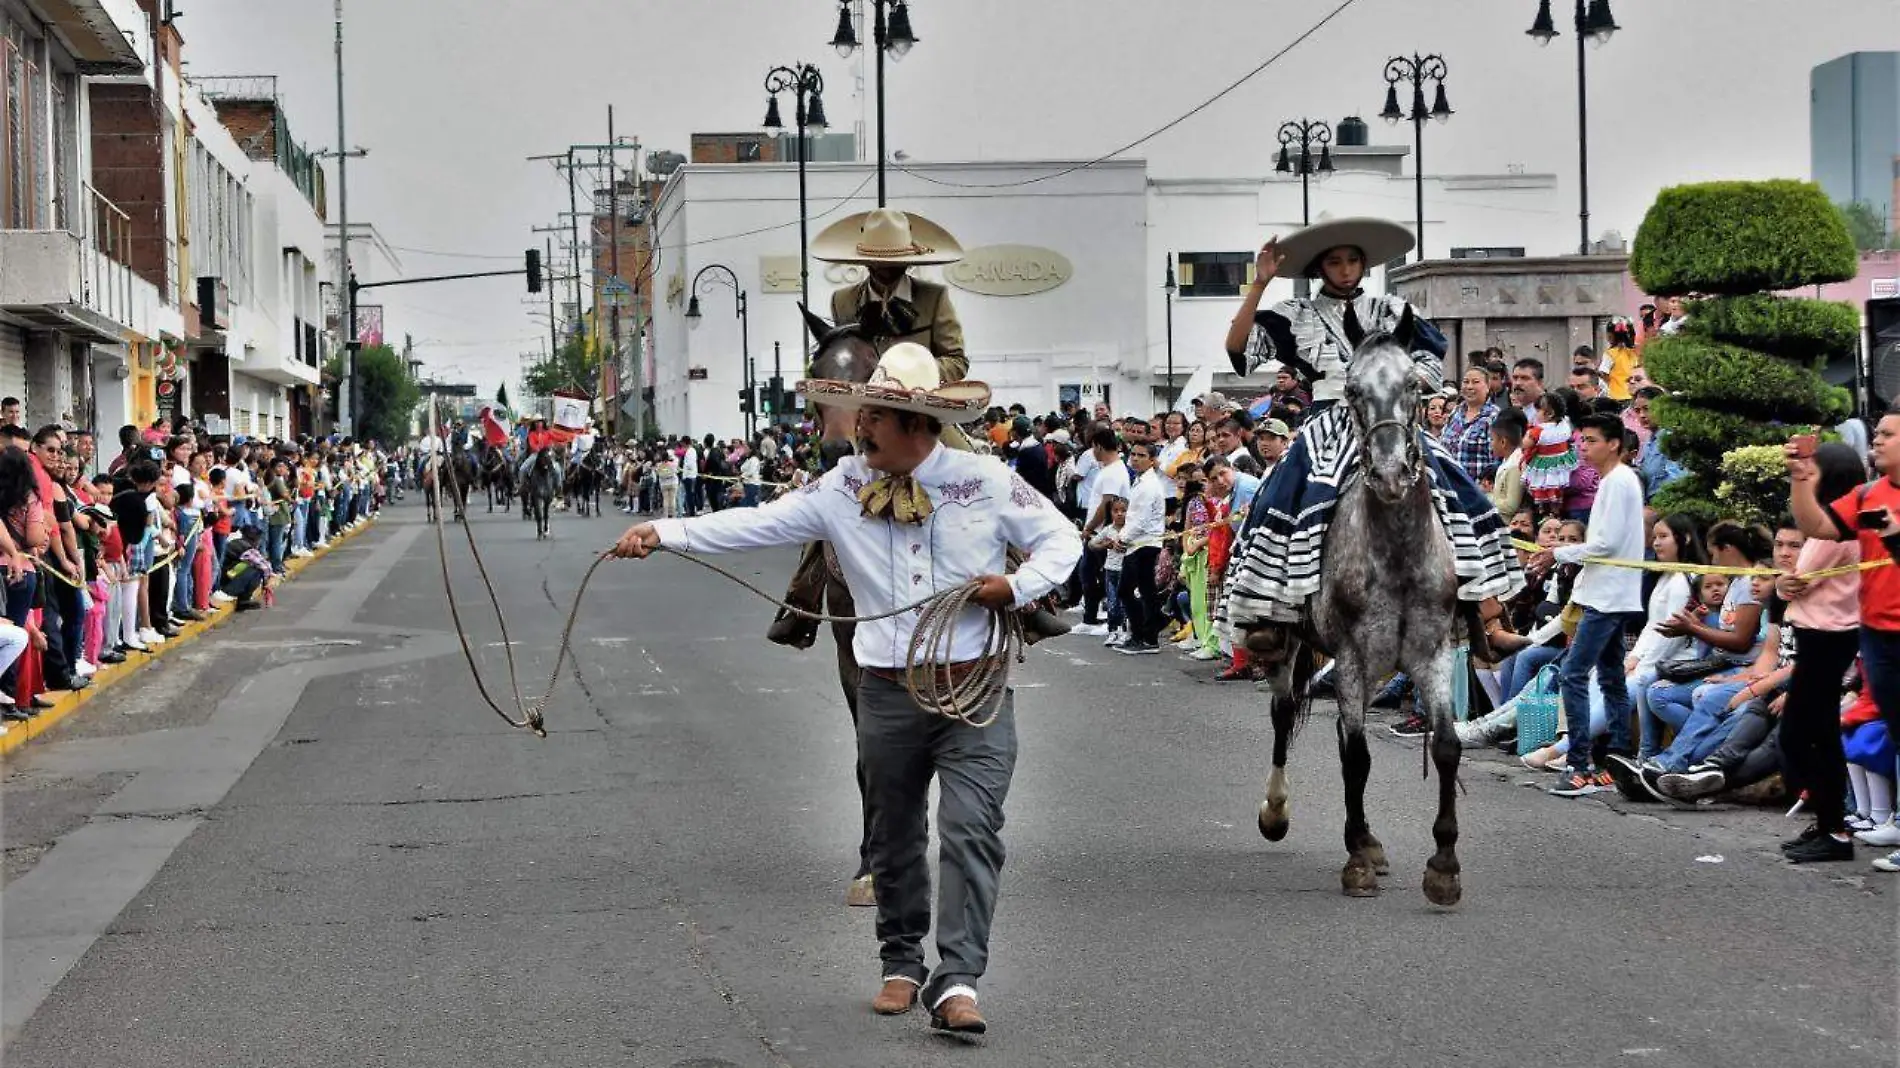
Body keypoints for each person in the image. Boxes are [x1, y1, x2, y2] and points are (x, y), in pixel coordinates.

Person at [609, 343, 1082, 1035]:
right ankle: (900, 963)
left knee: (972, 829)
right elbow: (753, 523)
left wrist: (1016, 586)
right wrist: (664, 531)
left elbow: (1063, 540)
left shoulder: (984, 480)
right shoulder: (839, 487)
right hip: (886, 691)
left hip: (974, 693)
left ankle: (957, 981)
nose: (858, 428)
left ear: (915, 423)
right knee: (891, 836)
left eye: (873, 419)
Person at [1220, 216, 1522, 657]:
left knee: (1452, 487)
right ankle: (1271, 613)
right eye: (1336, 261)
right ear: (1320, 268)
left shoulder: (1394, 310)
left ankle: (1486, 615)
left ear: (1364, 265)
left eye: (1353, 260)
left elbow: (1430, 362)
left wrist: (1400, 382)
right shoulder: (1295, 314)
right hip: (1328, 420)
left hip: (1389, 417)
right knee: (1280, 493)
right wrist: (1259, 285)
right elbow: (1238, 353)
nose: (1345, 269)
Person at [1528, 412, 1644, 797]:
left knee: (1574, 673)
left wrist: (1557, 553)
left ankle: (1580, 764)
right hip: (1608, 592)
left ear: (1613, 444)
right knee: (1610, 677)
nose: (1583, 446)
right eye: (1583, 440)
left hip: (1609, 596)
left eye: (1591, 440)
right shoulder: (1615, 481)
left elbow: (1606, 545)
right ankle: (1617, 761)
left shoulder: (1618, 482)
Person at [815, 208, 968, 383]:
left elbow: (957, 362)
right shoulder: (842, 301)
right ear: (865, 262)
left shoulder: (934, 298)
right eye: (878, 263)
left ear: (908, 262)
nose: (885, 269)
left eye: (893, 264)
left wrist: (916, 372)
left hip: (918, 405)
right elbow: (842, 357)